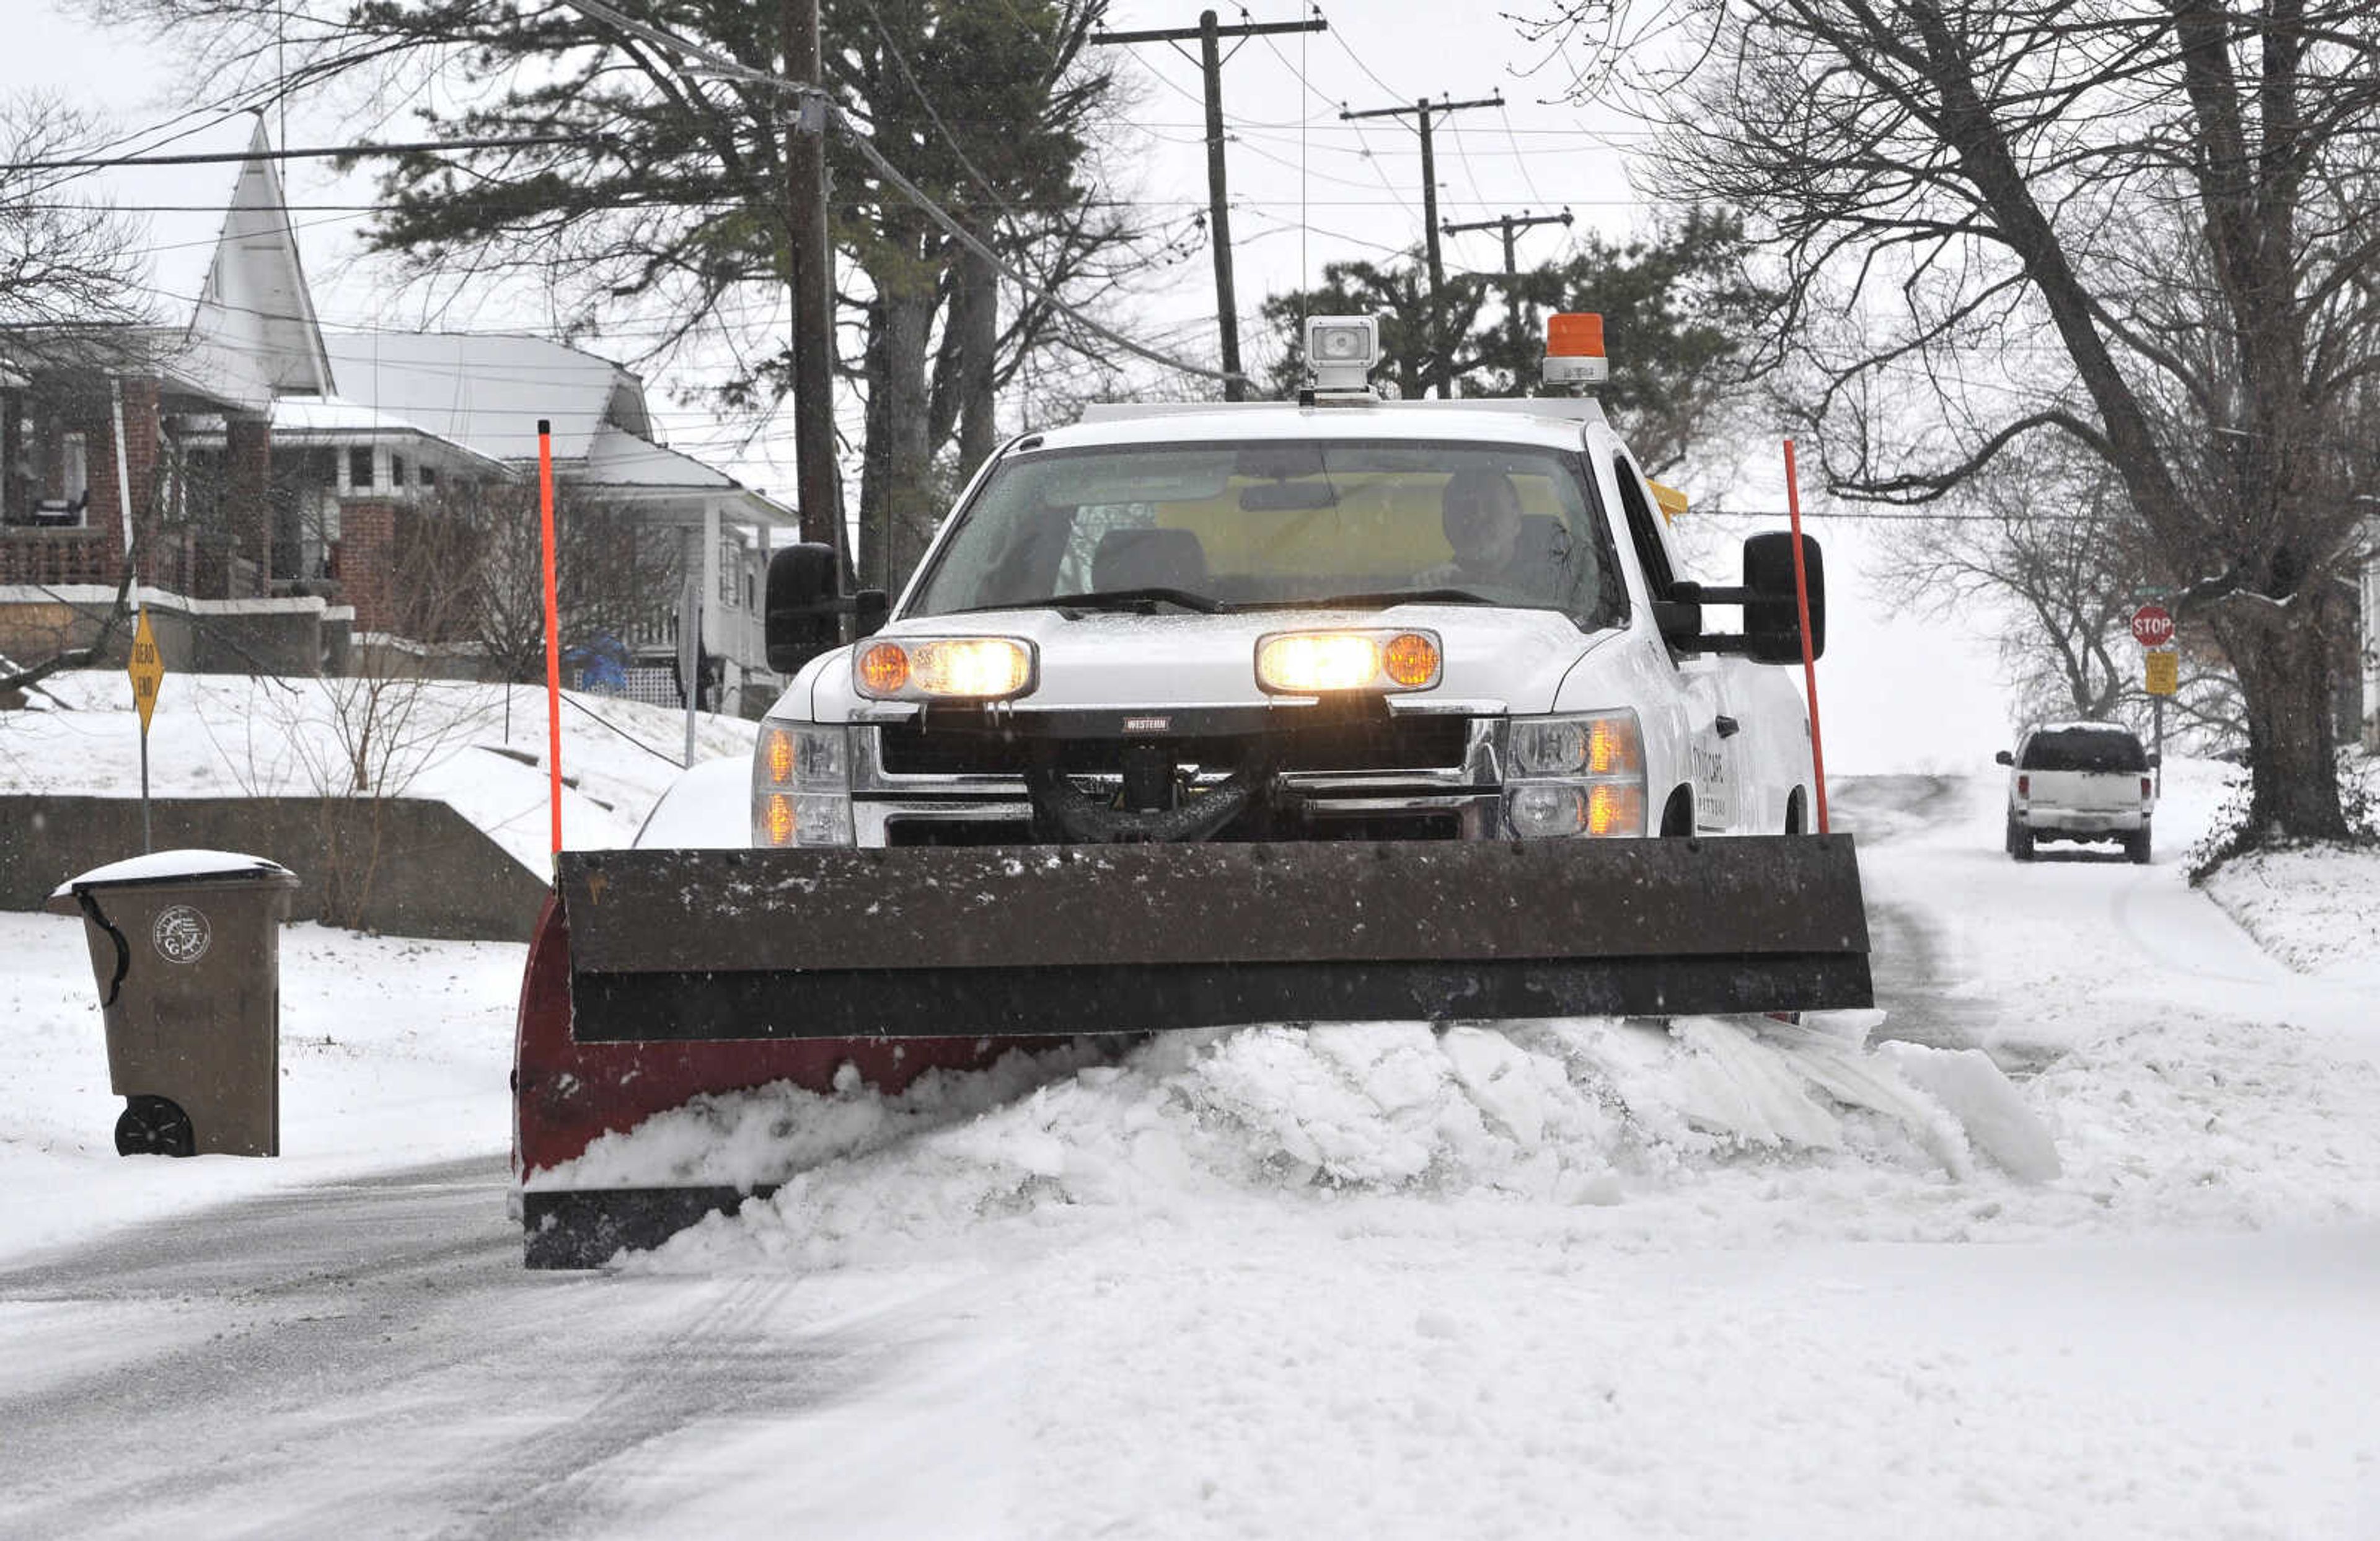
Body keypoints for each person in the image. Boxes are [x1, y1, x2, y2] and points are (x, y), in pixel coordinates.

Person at [1419, 468, 1527, 588]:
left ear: (1517, 521)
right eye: (1465, 508)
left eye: (1491, 505)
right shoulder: (1429, 589)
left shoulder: (1547, 587)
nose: (1478, 516)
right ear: (1446, 526)